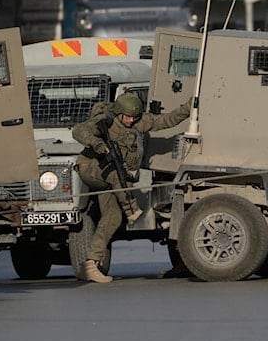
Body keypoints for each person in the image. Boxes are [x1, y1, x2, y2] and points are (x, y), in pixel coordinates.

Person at [72, 93, 192, 283]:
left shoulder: (140, 122)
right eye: (126, 116)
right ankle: (132, 209)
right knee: (115, 174)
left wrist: (187, 107)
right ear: (119, 113)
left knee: (112, 217)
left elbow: (166, 120)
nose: (130, 120)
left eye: (133, 117)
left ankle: (90, 264)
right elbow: (78, 131)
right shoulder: (105, 121)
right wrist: (97, 143)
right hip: (90, 168)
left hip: (114, 179)